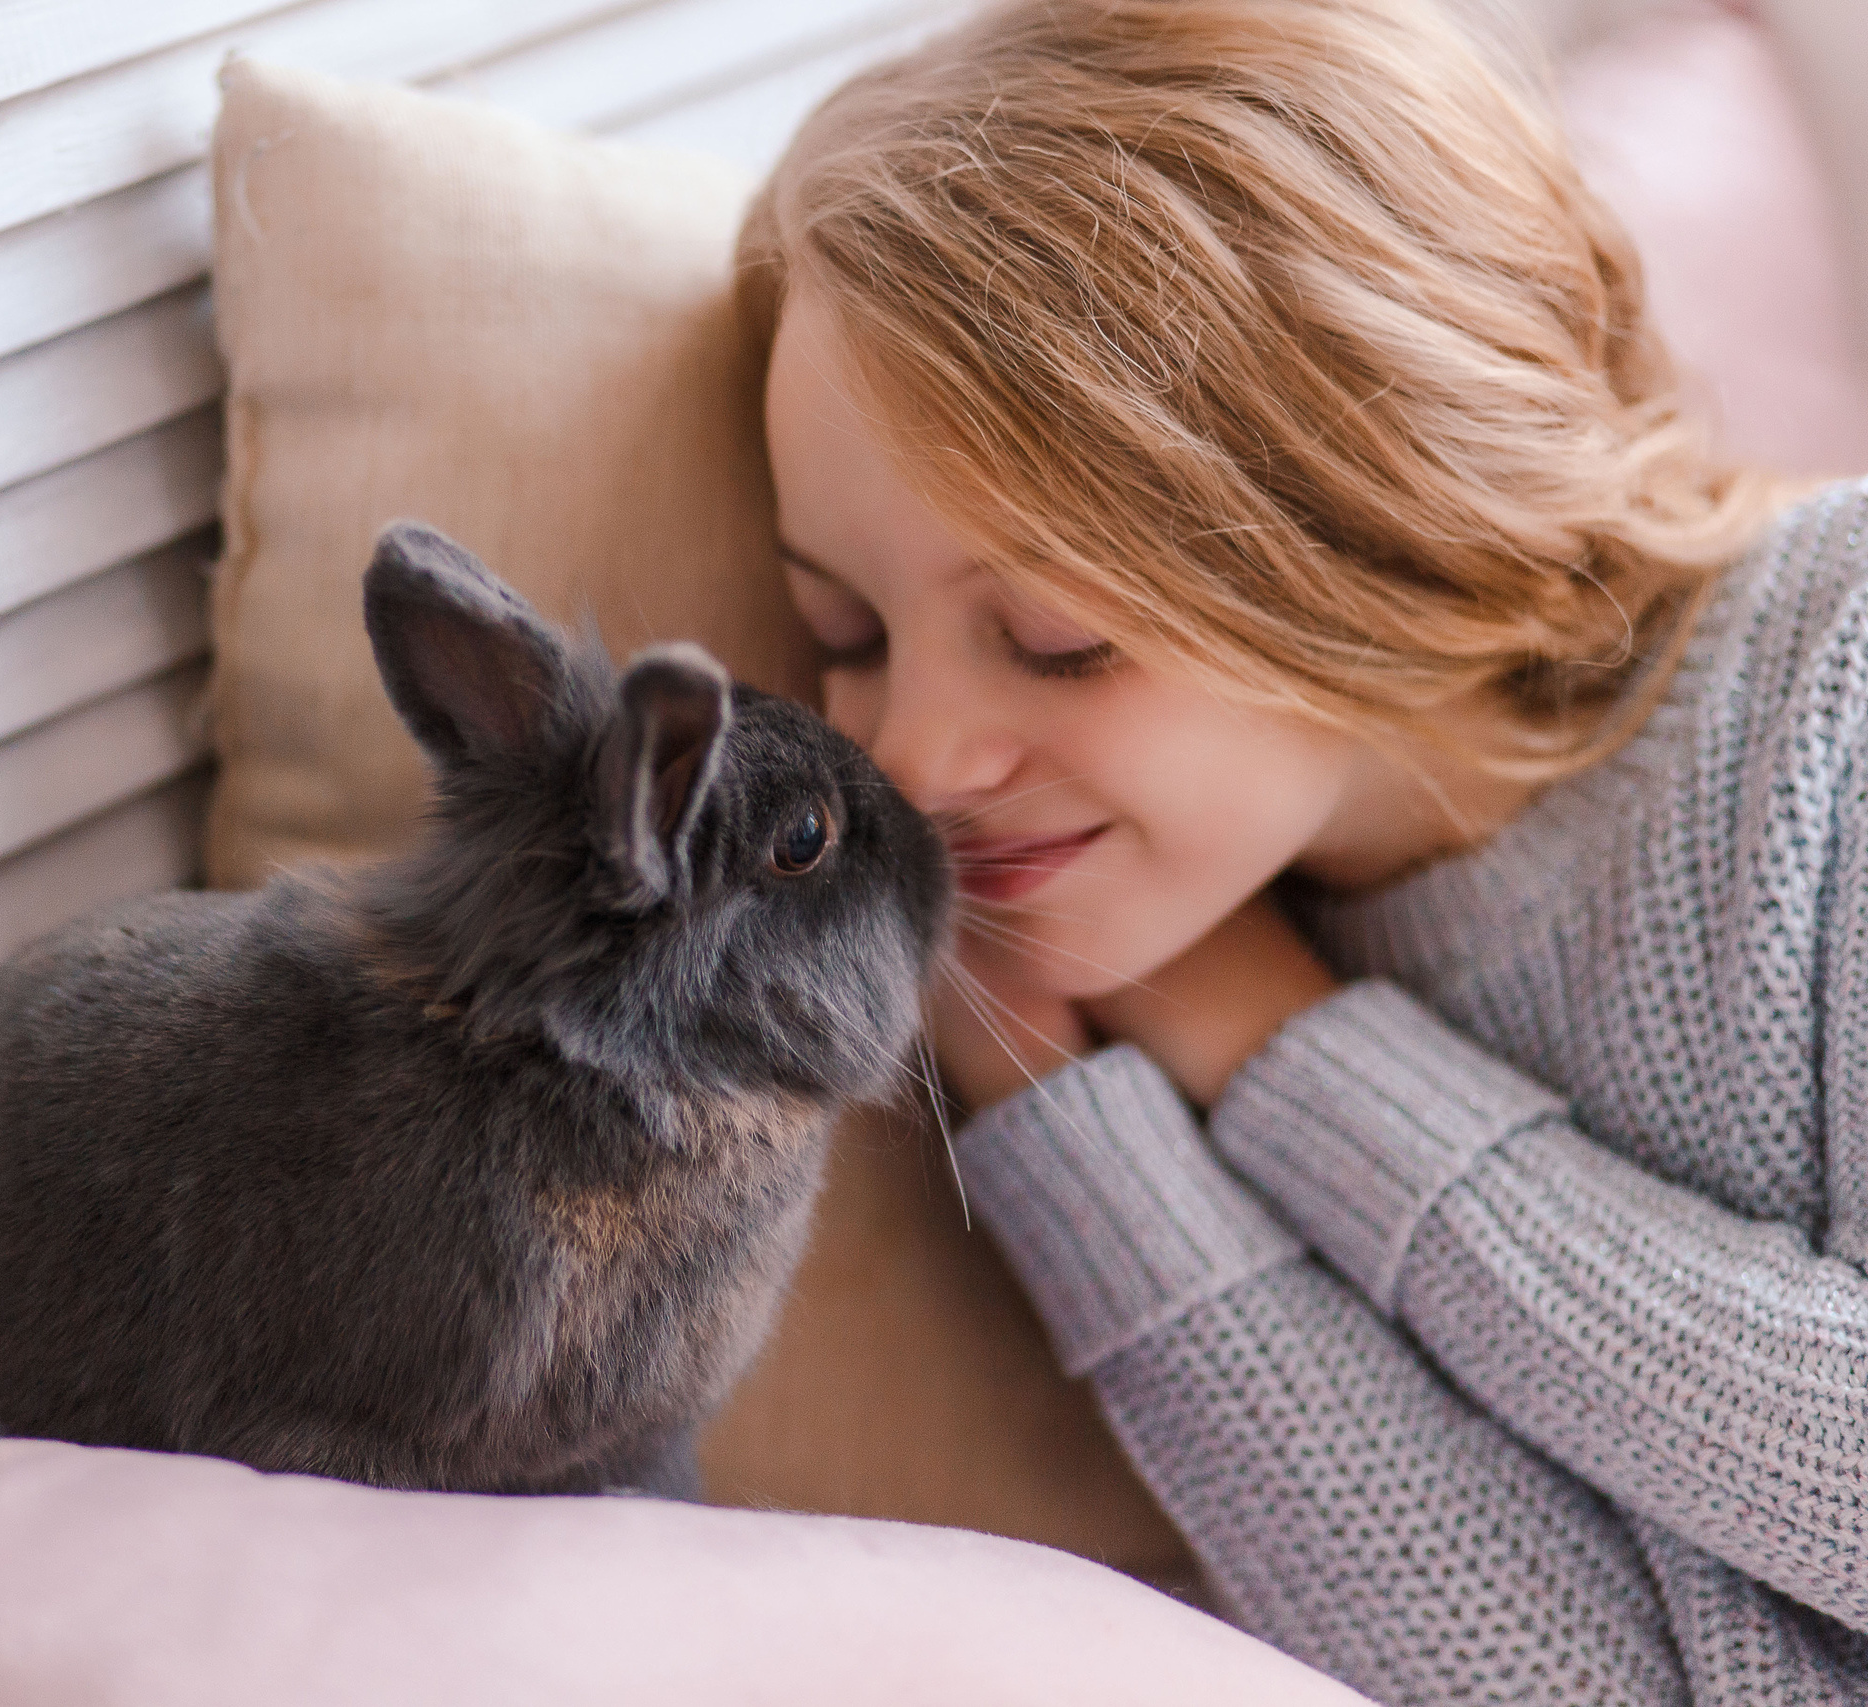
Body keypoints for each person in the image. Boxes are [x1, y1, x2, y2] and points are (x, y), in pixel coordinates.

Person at [743, 0, 1868, 1699]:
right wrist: (1062, 1108)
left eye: (1048, 635)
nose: (912, 757)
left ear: (1371, 485)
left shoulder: (1836, 696)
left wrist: (1282, 1050)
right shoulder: (1191, 909)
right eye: (847, 627)